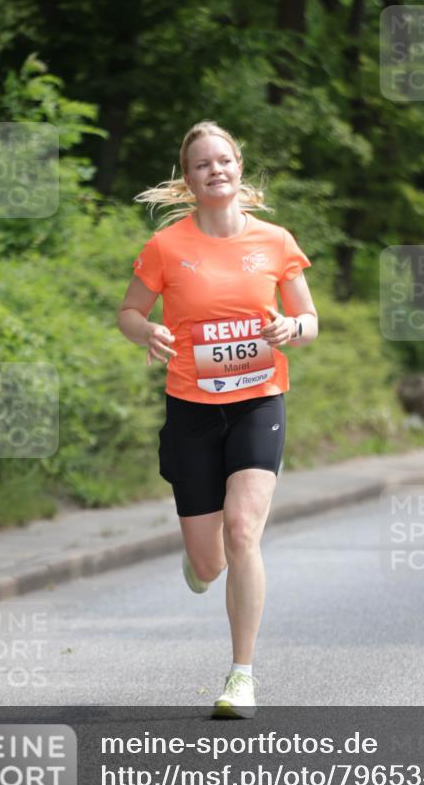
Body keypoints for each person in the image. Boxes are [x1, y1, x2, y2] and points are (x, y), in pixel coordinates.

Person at [117, 120, 318, 718]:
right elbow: (129, 311)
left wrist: (290, 328)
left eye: (224, 160)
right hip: (192, 410)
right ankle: (199, 557)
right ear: (189, 178)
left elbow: (309, 320)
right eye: (203, 164)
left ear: (239, 169)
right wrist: (145, 331)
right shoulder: (167, 248)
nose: (216, 171)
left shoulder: (276, 242)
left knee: (243, 530)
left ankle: (241, 677)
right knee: (210, 561)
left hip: (259, 400)